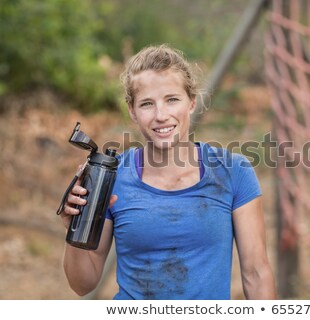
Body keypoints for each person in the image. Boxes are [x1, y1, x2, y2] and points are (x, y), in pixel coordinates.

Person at [60, 44, 276, 300]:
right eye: (147, 104)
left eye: (172, 99)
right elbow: (83, 284)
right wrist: (74, 229)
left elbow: (256, 273)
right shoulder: (113, 176)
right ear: (132, 111)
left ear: (192, 102)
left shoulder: (234, 172)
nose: (161, 115)